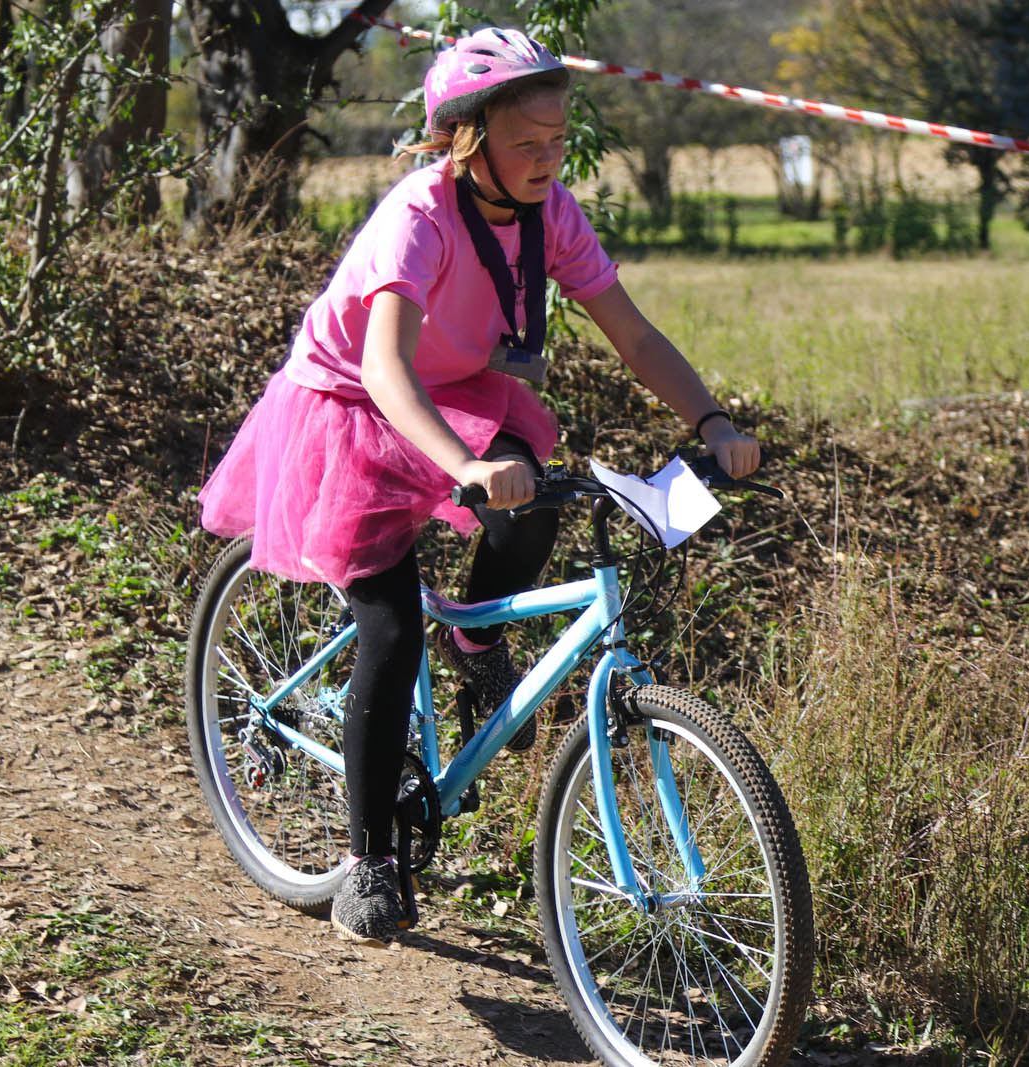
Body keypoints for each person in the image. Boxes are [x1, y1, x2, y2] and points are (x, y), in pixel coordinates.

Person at [196, 27, 760, 946]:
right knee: (388, 627)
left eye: (558, 140)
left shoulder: (550, 213)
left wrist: (714, 423)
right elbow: (384, 367)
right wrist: (462, 467)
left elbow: (634, 334)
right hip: (353, 401)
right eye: (527, 142)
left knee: (532, 499)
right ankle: (370, 858)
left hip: (451, 391)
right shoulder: (421, 215)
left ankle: (475, 637)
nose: (549, 159)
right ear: (466, 139)